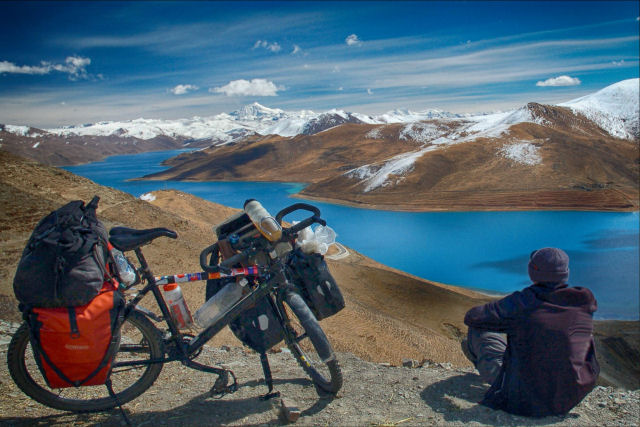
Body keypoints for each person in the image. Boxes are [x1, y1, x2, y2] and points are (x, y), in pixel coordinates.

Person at [462, 247, 599, 417]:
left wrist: (505, 310)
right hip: (571, 396)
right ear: (566, 273)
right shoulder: (584, 299)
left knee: (478, 330)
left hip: (524, 402)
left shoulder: (523, 303)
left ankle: (498, 381)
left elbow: (473, 317)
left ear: (532, 271)